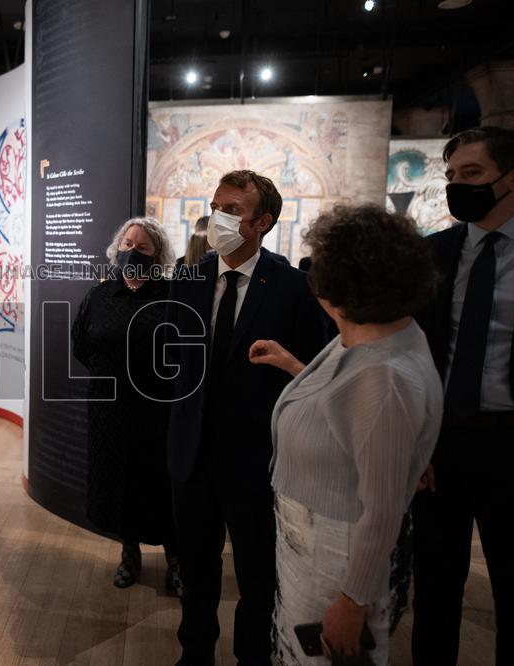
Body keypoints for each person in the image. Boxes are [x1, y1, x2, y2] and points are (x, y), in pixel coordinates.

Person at [249, 204, 443, 665]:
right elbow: (344, 404)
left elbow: (382, 511)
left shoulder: (385, 379)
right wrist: (294, 365)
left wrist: (352, 603)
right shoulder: (372, 330)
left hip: (336, 560)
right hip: (313, 546)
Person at [163, 170, 329, 665]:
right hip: (191, 454)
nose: (219, 217)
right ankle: (195, 655)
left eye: (233, 210)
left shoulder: (295, 287)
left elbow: (317, 376)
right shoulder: (186, 280)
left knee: (258, 577)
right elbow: (174, 365)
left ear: (263, 222)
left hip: (259, 459)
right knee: (196, 572)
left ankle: (251, 659)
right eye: (216, 205)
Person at [412, 126, 514, 665]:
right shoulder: (435, 253)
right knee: (434, 589)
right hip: (444, 445)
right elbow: (412, 356)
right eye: (452, 175)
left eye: (473, 174)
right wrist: (417, 444)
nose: (459, 185)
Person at [71, 217, 183, 596]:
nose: (132, 251)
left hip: (160, 412)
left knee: (161, 484)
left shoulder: (173, 296)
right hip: (110, 412)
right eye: (127, 244)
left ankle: (175, 559)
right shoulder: (99, 296)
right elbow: (82, 346)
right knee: (118, 483)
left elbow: (185, 353)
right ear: (116, 248)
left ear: (158, 255)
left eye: (143, 247)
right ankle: (129, 553)